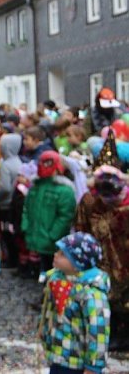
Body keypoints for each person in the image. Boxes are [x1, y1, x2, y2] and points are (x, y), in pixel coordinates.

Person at [75, 131, 129, 350]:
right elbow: (81, 227)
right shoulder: (89, 201)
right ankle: (112, 331)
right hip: (102, 259)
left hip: (125, 258)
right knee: (106, 297)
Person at [39, 232, 110, 374]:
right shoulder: (59, 278)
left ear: (78, 264)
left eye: (62, 254)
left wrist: (93, 367)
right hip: (59, 355)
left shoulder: (91, 294)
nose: (55, 255)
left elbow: (99, 331)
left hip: (77, 363)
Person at [21, 152, 77, 281]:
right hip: (37, 235)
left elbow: (65, 216)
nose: (44, 167)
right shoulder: (36, 186)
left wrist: (53, 234)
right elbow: (27, 208)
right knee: (45, 264)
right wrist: (26, 225)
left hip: (52, 239)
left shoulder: (64, 190)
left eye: (48, 163)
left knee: (56, 266)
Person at [0, 133, 23, 269]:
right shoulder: (19, 161)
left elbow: (5, 187)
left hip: (5, 204)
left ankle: (11, 259)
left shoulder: (5, 165)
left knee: (6, 233)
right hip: (15, 204)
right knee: (13, 232)